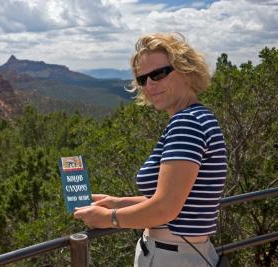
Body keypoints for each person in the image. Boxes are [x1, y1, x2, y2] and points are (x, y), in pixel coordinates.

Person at [74, 32, 227, 267]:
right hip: (189, 252)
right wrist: (117, 202)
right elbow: (174, 199)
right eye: (143, 79)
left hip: (172, 257)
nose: (149, 85)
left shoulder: (187, 123)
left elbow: (165, 209)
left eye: (158, 74)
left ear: (186, 69)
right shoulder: (201, 117)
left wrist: (109, 218)